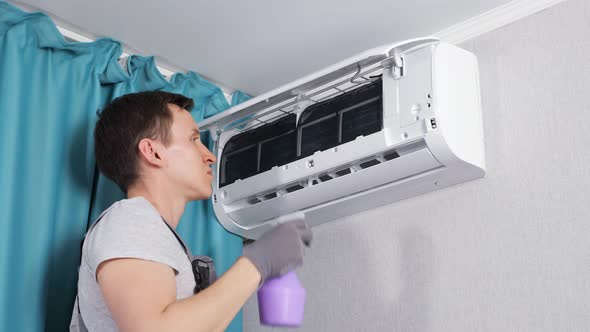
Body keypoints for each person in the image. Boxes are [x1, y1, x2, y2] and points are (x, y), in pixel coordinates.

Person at [69, 91, 312, 332]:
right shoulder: (129, 220)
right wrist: (259, 262)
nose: (210, 156)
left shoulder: (151, 233)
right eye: (193, 140)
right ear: (153, 152)